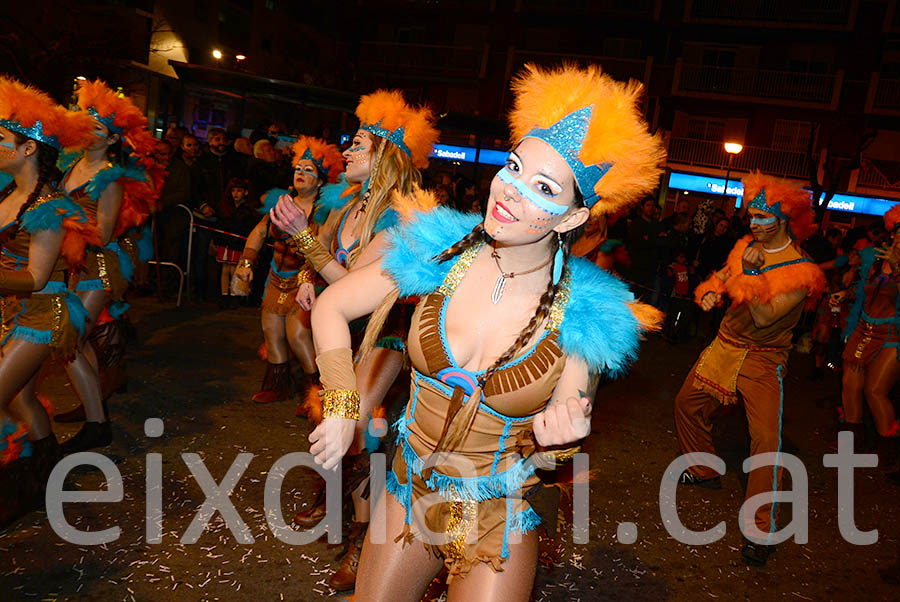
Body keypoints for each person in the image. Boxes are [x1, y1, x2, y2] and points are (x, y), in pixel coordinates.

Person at [297, 64, 664, 601]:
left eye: (542, 187)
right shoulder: (438, 248)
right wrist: (341, 403)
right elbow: (331, 307)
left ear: (569, 218)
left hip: (497, 515)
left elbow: (554, 449)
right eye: (514, 168)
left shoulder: (585, 316)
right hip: (409, 492)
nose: (510, 191)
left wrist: (559, 443)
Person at [270, 89, 440, 591]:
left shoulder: (400, 218)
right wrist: (306, 271)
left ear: (385, 157)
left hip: (386, 334)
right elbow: (322, 259)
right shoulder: (344, 207)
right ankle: (341, 508)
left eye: (358, 145)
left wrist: (303, 241)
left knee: (359, 419)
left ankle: (362, 545)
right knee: (335, 422)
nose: (345, 152)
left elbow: (349, 285)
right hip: (344, 333)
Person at [675, 172, 826, 568]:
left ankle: (761, 530)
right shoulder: (744, 245)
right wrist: (710, 291)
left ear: (785, 220)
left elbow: (764, 317)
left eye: (763, 218)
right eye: (752, 216)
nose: (754, 225)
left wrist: (753, 276)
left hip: (763, 358)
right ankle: (703, 469)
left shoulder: (802, 271)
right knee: (686, 404)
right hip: (725, 343)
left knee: (765, 442)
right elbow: (724, 277)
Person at [0, 78, 95, 525]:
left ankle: (28, 477)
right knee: (20, 399)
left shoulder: (49, 208)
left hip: (42, 312)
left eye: (1, 139)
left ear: (28, 149)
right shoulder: (6, 192)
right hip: (8, 307)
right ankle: (44, 473)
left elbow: (36, 278)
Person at [53, 79, 163, 452]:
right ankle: (95, 416)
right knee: (73, 342)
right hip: (67, 262)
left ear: (113, 139)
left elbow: (104, 233)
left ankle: (97, 421)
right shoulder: (71, 166)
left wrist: (61, 222)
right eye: (87, 123)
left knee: (69, 340)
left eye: (98, 128)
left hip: (98, 265)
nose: (88, 130)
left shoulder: (111, 178)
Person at [234, 137, 343, 403]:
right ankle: (277, 385)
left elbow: (323, 249)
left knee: (297, 335)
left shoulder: (325, 211)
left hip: (305, 280)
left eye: (309, 170)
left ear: (320, 181)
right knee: (271, 332)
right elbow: (259, 232)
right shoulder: (280, 203)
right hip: (275, 277)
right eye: (298, 169)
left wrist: (310, 279)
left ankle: (315, 393)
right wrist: (246, 263)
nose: (301, 174)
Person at [834, 204, 900, 482]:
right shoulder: (876, 258)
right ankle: (851, 447)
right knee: (850, 386)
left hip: (893, 334)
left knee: (875, 391)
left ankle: (891, 454)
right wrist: (844, 294)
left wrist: (897, 269)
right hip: (864, 328)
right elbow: (863, 290)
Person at [214, 177, 257, 306]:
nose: (236, 194)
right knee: (225, 269)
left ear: (245, 192)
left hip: (238, 244)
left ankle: (234, 294)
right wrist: (217, 240)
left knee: (234, 269)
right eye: (233, 191)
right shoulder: (225, 208)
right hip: (226, 242)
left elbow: (248, 229)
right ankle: (224, 294)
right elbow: (220, 225)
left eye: (239, 190)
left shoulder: (248, 210)